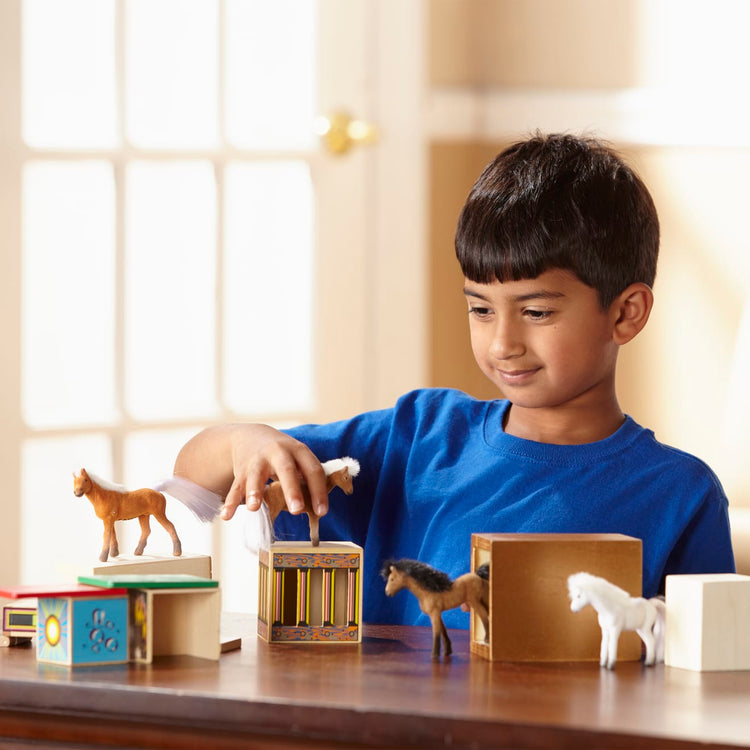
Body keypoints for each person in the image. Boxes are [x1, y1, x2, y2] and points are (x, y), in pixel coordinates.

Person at [173, 132, 735, 628]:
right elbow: (197, 474)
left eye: (536, 312)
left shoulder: (679, 493)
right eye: (481, 309)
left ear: (626, 313)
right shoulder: (417, 435)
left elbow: (708, 674)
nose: (502, 343)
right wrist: (249, 440)